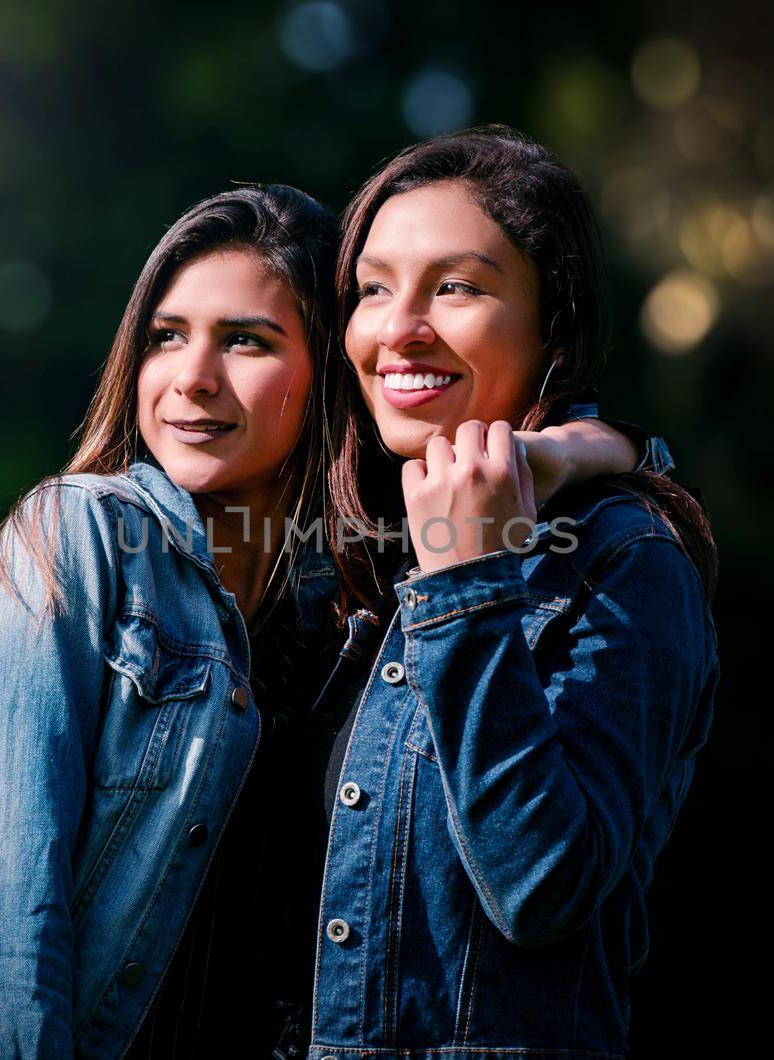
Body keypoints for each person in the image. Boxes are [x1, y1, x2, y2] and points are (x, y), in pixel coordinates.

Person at [0, 180, 656, 1060]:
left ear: (330, 371)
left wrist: (583, 445)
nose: (192, 379)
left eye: (246, 341)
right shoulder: (81, 535)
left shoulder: (360, 612)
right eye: (167, 337)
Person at [301, 125, 721, 1059]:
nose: (398, 327)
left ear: (553, 326)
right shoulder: (356, 554)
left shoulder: (626, 563)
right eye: (373, 288)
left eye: (456, 286)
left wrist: (469, 583)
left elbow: (541, 886)